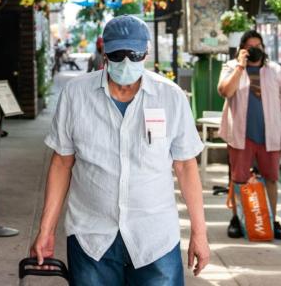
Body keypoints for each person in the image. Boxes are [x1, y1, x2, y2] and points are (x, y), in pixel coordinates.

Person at [31, 15, 209, 285]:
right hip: (92, 236)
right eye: (118, 54)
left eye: (134, 54)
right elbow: (61, 163)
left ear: (146, 53)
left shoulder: (170, 96)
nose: (126, 62)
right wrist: (46, 229)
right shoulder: (76, 95)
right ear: (104, 53)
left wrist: (200, 232)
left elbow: (185, 166)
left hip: (155, 237)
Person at [218, 29, 281, 240]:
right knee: (238, 179)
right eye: (250, 47)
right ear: (242, 49)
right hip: (240, 135)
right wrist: (240, 66)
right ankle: (238, 219)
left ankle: (271, 220)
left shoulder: (275, 70)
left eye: (258, 46)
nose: (255, 50)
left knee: (271, 178)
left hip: (270, 136)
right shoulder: (232, 67)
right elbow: (225, 91)